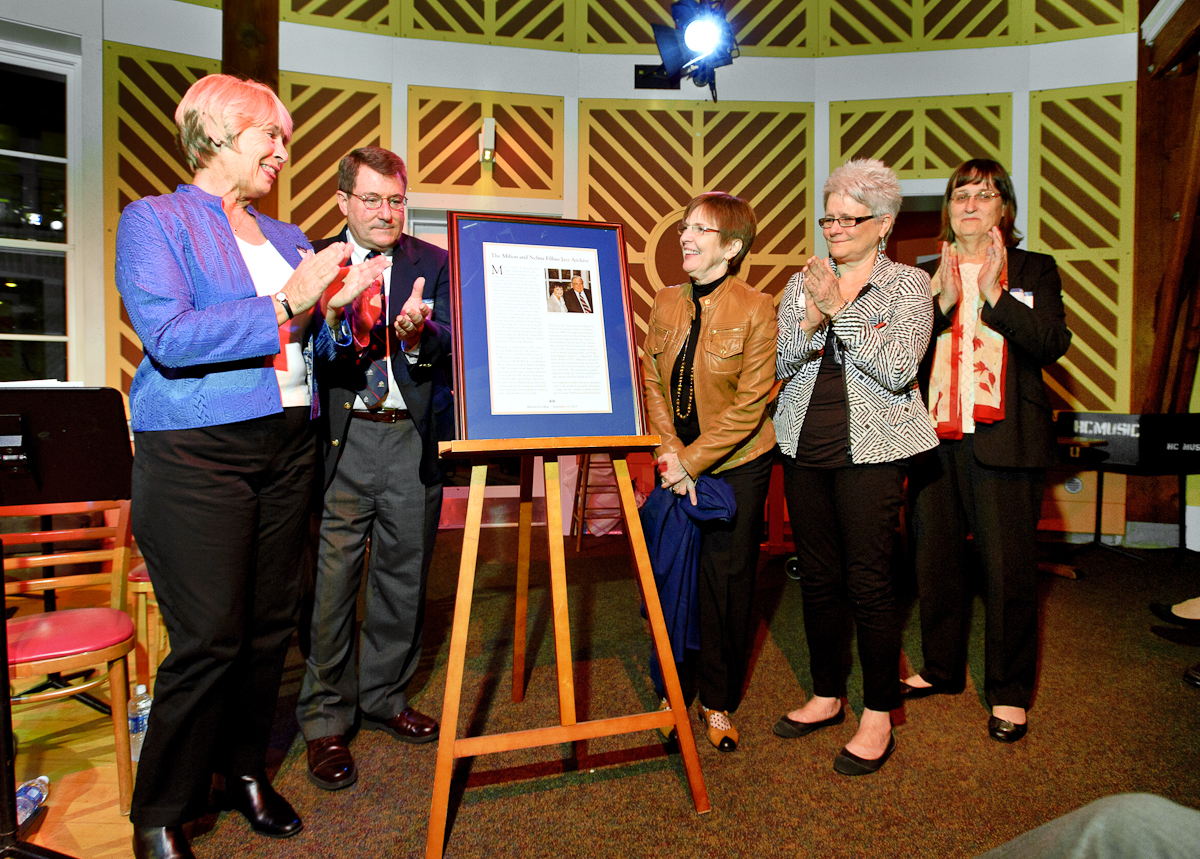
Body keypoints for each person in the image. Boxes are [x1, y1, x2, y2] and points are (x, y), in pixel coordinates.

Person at [116, 75, 388, 859]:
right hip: (198, 453)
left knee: (270, 629)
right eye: (269, 136)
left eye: (284, 138)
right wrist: (284, 303)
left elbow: (319, 347)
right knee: (208, 636)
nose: (282, 150)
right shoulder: (154, 222)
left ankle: (242, 773)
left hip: (285, 445)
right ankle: (160, 810)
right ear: (215, 137)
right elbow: (170, 336)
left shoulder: (289, 236)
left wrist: (345, 313)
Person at [771, 158, 937, 776]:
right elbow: (783, 363)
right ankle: (825, 692)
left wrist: (838, 310)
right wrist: (812, 319)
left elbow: (897, 369)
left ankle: (878, 712)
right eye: (828, 217)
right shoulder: (803, 280)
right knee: (816, 577)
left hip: (871, 451)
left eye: (849, 219)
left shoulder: (908, 287)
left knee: (869, 580)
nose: (834, 229)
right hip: (803, 444)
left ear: (884, 224)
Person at [296, 146, 453, 790]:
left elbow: (454, 343)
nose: (387, 212)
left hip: (409, 441)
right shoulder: (314, 259)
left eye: (396, 199)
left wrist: (421, 336)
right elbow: (307, 346)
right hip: (345, 441)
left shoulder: (434, 262)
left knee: (403, 578)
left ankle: (384, 696)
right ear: (343, 203)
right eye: (372, 199)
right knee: (332, 586)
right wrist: (336, 315)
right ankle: (326, 719)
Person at [902, 159, 1072, 744]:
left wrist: (995, 294)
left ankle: (1008, 693)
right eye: (960, 196)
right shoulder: (924, 273)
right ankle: (942, 668)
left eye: (985, 194)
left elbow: (1052, 344)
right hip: (934, 440)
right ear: (948, 210)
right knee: (935, 563)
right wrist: (942, 302)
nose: (971, 204)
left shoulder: (1034, 269)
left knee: (1008, 574)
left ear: (1005, 208)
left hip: (1006, 442)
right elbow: (902, 358)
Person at [642, 191, 776, 752]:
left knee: (725, 587)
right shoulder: (665, 302)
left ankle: (718, 702)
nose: (686, 238)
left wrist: (693, 462)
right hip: (675, 463)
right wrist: (670, 455)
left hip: (737, 466)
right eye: (684, 228)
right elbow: (651, 380)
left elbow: (751, 405)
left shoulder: (757, 307)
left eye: (700, 230)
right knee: (673, 580)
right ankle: (676, 694)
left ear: (733, 246)